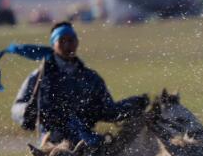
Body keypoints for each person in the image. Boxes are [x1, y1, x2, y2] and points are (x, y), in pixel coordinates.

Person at [11, 22, 148, 147]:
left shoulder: (91, 78)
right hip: (52, 143)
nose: (67, 45)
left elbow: (108, 111)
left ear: (77, 42)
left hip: (87, 141)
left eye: (71, 40)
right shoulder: (39, 77)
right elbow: (17, 108)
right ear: (53, 44)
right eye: (62, 41)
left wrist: (133, 105)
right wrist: (27, 111)